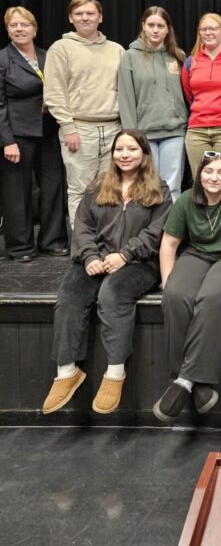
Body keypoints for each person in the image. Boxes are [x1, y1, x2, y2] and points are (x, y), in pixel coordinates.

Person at [42, 130, 171, 415]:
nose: (124, 155)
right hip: (96, 259)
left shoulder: (158, 189)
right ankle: (66, 371)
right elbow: (83, 226)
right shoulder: (98, 186)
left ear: (144, 154)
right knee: (70, 294)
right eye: (119, 149)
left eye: (132, 149)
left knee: (112, 295)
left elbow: (157, 232)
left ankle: (114, 373)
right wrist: (89, 257)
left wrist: (126, 254)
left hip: (139, 263)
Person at [153, 151, 221, 423]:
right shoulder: (187, 199)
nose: (214, 177)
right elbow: (169, 244)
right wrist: (168, 280)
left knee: (213, 298)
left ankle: (183, 380)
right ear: (200, 174)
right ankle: (193, 381)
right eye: (209, 171)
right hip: (196, 254)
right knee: (176, 296)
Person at [43, 0, 125, 224]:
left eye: (90, 13)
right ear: (71, 18)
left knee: (110, 187)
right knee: (80, 189)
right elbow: (54, 93)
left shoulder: (116, 50)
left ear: (100, 17)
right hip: (79, 129)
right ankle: (83, 244)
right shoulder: (61, 49)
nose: (85, 18)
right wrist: (68, 127)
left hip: (113, 128)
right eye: (79, 14)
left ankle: (106, 239)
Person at [0, 6, 68, 260]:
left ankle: (52, 240)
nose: (19, 29)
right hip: (17, 136)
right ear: (7, 30)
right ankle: (20, 246)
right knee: (17, 191)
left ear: (35, 29)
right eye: (14, 25)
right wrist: (7, 141)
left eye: (24, 25)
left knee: (53, 187)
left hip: (48, 132)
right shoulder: (3, 59)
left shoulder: (47, 55)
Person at [118, 6, 188, 201]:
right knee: (148, 184)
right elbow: (126, 98)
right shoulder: (130, 56)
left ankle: (171, 230)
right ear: (143, 27)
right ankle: (152, 229)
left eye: (160, 26)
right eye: (151, 25)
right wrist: (131, 135)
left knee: (172, 186)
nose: (155, 30)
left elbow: (186, 94)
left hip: (174, 131)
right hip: (144, 133)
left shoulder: (178, 56)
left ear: (167, 29)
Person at [181, 13, 221, 178]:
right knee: (201, 181)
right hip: (196, 131)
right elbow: (188, 95)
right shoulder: (191, 62)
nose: (208, 33)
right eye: (204, 29)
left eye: (213, 28)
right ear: (199, 33)